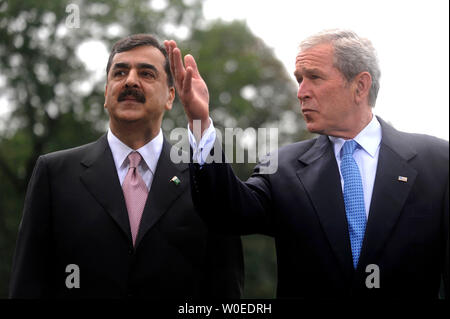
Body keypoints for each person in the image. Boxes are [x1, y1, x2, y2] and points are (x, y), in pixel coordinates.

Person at [164, 29, 449, 299]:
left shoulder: (438, 162)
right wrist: (199, 122)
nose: (301, 92)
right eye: (299, 79)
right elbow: (226, 212)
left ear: (360, 86)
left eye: (314, 77)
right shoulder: (284, 166)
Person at [9, 34, 243, 298]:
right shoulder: (55, 174)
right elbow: (28, 283)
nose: (130, 80)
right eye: (120, 73)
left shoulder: (204, 181)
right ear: (106, 93)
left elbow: (226, 291)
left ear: (170, 96)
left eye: (146, 73)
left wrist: (201, 122)